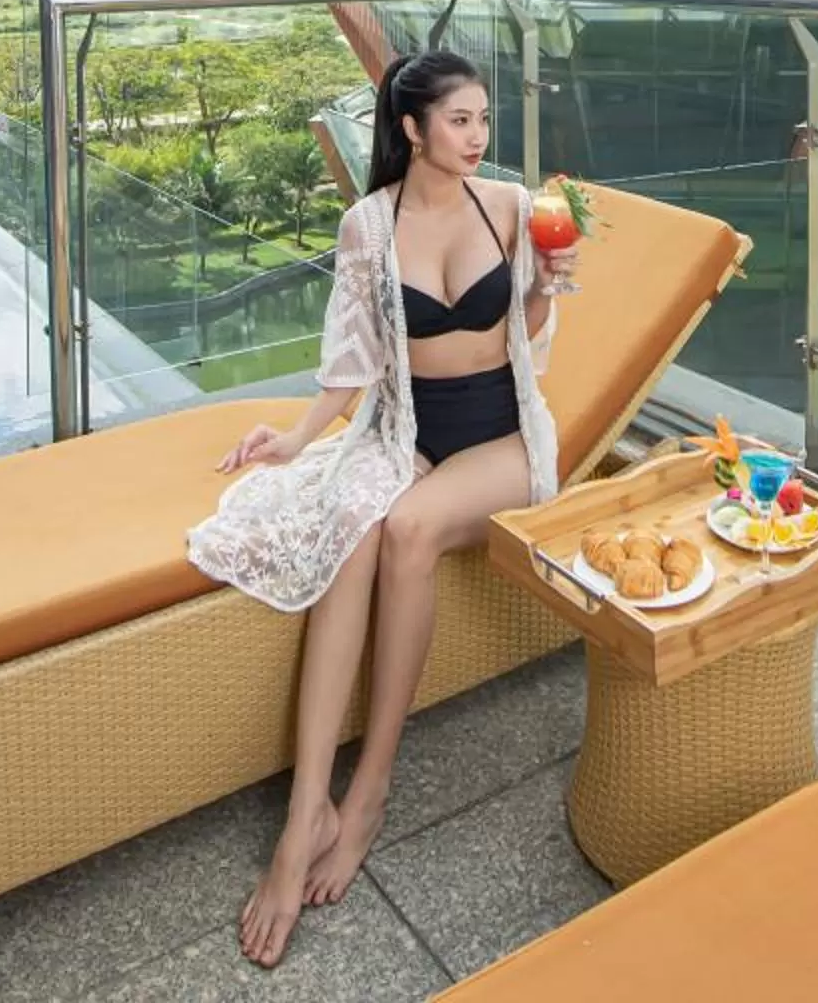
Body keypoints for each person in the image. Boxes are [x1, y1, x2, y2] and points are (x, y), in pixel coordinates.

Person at [186, 49, 580, 967]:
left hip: (504, 439)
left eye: (484, 120)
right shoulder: (368, 223)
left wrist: (545, 289)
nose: (478, 138)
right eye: (459, 121)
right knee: (352, 528)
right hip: (405, 429)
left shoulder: (517, 208)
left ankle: (367, 794)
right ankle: (302, 816)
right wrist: (295, 436)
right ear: (411, 129)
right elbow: (355, 359)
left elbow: (527, 343)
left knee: (405, 527)